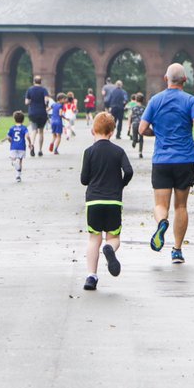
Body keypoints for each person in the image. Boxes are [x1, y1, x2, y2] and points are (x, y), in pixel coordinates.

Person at [138, 63, 194, 264]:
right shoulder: (191, 101)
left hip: (161, 159)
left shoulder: (155, 100)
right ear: (185, 80)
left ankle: (162, 223)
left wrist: (157, 133)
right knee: (181, 206)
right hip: (184, 159)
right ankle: (177, 250)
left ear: (165, 79)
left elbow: (142, 129)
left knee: (160, 204)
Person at [80, 112, 133, 291]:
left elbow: (84, 179)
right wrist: (120, 185)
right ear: (111, 132)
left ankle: (91, 277)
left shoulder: (89, 152)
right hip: (113, 201)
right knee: (114, 237)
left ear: (93, 130)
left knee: (94, 239)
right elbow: (129, 171)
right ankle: (109, 248)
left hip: (94, 201)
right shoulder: (118, 151)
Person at [24, 75, 51, 156]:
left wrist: (31, 100)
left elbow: (26, 102)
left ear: (34, 81)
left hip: (32, 112)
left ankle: (32, 145)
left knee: (34, 130)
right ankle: (40, 150)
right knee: (41, 132)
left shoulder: (30, 90)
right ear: (41, 81)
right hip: (42, 112)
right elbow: (46, 100)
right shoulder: (44, 90)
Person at [6, 111, 28, 182]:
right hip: (22, 146)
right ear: (23, 120)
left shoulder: (12, 128)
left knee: (13, 159)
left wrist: (11, 141)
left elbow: (8, 137)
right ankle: (18, 176)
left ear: (14, 119)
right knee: (20, 160)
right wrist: (30, 143)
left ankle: (14, 163)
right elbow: (27, 136)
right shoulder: (24, 128)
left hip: (13, 146)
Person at [126, 92, 146, 158]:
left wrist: (129, 126)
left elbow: (130, 117)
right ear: (143, 100)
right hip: (141, 125)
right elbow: (146, 118)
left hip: (134, 124)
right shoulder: (144, 108)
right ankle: (140, 152)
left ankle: (134, 142)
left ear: (136, 100)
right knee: (141, 138)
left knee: (134, 136)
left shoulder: (133, 108)